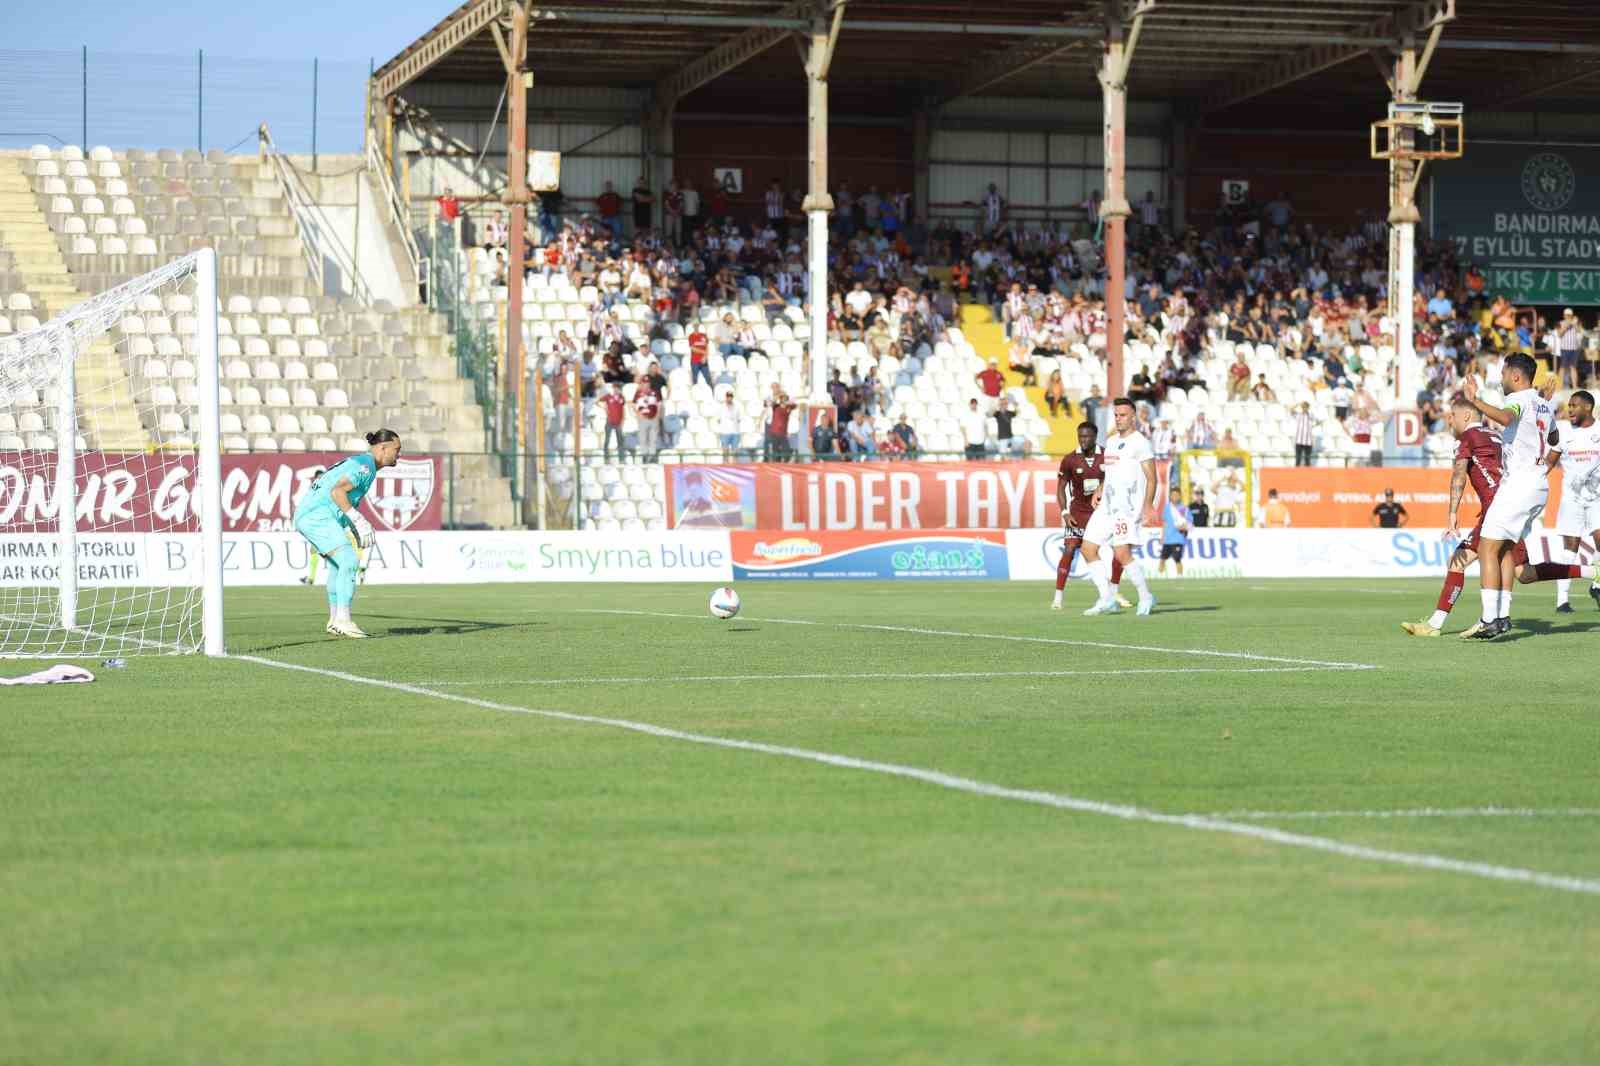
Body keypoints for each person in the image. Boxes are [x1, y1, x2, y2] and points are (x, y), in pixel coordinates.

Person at [1402, 395, 1596, 637]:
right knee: (1523, 572)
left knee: (1459, 562)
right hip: (1515, 498)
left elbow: (1459, 475)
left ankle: (1443, 624)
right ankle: (1590, 573)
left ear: (1466, 416)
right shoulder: (1495, 436)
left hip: (1499, 507)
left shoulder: (1468, 437)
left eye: (1452, 416)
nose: (1448, 421)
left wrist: (1452, 513)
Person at [1459, 353, 1560, 639]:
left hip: (1519, 485)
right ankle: (1502, 617)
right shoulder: (1543, 403)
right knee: (1503, 549)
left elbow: (1505, 417)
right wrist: (1542, 464)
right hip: (1537, 485)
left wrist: (1475, 400)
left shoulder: (1517, 399)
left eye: (1504, 374)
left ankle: (1489, 619)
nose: (1502, 379)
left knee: (1487, 548)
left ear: (1516, 376)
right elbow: (1553, 439)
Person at [291, 429, 401, 639]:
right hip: (317, 516)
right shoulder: (365, 466)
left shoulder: (363, 464)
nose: (399, 454)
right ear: (383, 448)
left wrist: (352, 525)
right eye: (397, 449)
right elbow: (337, 492)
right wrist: (359, 520)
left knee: (338, 565)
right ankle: (344, 620)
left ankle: (335, 620)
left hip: (312, 515)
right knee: (349, 560)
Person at [1081, 398, 1159, 617]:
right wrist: (1100, 489)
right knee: (1088, 548)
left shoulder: (1140, 443)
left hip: (1127, 508)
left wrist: (1147, 505)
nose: (1119, 419)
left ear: (1133, 417)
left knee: (1121, 553)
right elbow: (1110, 472)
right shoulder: (1112, 442)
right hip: (1107, 504)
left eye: (1123, 415)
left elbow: (1152, 478)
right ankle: (1106, 599)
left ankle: (1146, 597)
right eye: (1116, 415)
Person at [1051, 421, 1127, 611]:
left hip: (1104, 513)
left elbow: (1119, 480)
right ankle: (1058, 597)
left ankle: (1114, 591)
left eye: (1087, 437)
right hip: (1078, 512)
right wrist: (1064, 512)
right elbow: (1060, 488)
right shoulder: (1070, 460)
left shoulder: (1107, 457)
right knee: (1069, 549)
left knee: (1120, 550)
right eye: (1080, 436)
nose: (1083, 440)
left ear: (1095, 437)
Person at [1551, 390, 1600, 611]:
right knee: (1570, 548)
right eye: (1569, 405)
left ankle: (1597, 584)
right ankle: (1562, 600)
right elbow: (1549, 461)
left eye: (1574, 405)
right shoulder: (1563, 431)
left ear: (1588, 408)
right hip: (1571, 498)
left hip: (1597, 497)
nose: (1569, 409)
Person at [1158, 487, 1190, 577]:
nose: (1174, 497)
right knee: (1162, 558)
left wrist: (1184, 527)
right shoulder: (1167, 508)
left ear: (1179, 496)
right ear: (1170, 496)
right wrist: (1162, 537)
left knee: (1177, 558)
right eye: (1173, 495)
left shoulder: (1183, 508)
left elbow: (1189, 523)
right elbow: (1164, 523)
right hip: (1168, 538)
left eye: (1176, 495)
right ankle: (1160, 575)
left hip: (1178, 538)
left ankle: (1180, 576)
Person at [633, 381, 662, 462]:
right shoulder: (638, 393)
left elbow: (659, 404)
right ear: (642, 384)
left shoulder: (655, 392)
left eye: (647, 383)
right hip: (643, 418)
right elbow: (633, 405)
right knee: (643, 437)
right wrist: (638, 414)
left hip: (653, 417)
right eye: (644, 383)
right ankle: (645, 455)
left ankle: (652, 455)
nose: (646, 385)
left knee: (653, 438)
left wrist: (657, 415)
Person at [764, 392, 796, 461]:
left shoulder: (789, 408)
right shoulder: (776, 407)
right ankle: (777, 466)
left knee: (787, 451)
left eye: (785, 399)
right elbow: (767, 403)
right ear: (780, 399)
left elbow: (794, 405)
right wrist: (778, 395)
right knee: (776, 453)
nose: (784, 400)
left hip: (783, 434)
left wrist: (788, 402)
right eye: (783, 399)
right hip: (774, 433)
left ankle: (784, 464)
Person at [601, 382, 628, 461]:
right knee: (607, 440)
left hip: (618, 421)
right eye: (614, 388)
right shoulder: (608, 396)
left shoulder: (621, 397)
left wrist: (623, 419)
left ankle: (621, 458)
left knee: (620, 440)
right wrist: (605, 409)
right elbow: (598, 401)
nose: (616, 390)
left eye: (617, 388)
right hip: (610, 420)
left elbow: (623, 409)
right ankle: (606, 457)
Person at [717, 391, 741, 462]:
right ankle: (725, 467)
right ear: (726, 397)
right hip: (725, 432)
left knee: (735, 453)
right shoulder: (721, 407)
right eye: (728, 396)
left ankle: (735, 468)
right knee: (725, 452)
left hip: (735, 432)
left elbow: (739, 419)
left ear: (732, 397)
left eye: (730, 396)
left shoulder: (737, 407)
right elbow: (718, 420)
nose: (729, 398)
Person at [1293, 402, 1315, 466]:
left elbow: (1317, 420)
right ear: (1301, 408)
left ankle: (1307, 474)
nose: (1304, 408)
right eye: (1303, 407)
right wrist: (1297, 404)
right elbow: (1290, 410)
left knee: (1307, 460)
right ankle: (1296, 474)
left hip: (1308, 441)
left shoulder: (1311, 415)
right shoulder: (1298, 415)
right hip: (1299, 440)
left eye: (1306, 407)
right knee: (1298, 459)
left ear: (1308, 408)